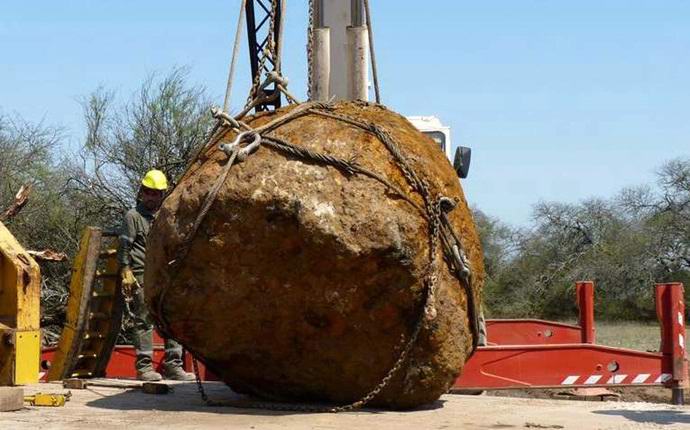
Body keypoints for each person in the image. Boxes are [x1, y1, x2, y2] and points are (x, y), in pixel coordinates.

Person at [117, 169, 195, 381]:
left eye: (156, 193)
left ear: (163, 194)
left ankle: (173, 365)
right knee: (143, 320)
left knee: (170, 318)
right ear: (142, 192)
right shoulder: (133, 217)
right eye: (148, 192)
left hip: (165, 275)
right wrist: (125, 270)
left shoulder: (166, 215)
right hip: (142, 275)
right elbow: (125, 245)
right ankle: (144, 368)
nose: (152, 197)